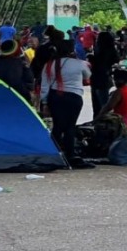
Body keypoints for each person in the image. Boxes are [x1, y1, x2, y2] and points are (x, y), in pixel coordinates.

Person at [40, 38, 93, 169]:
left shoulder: (49, 64)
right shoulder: (80, 64)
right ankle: (70, 155)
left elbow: (45, 86)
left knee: (57, 126)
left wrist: (45, 102)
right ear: (72, 49)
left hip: (55, 97)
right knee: (70, 126)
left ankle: (53, 153)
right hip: (74, 98)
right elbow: (88, 76)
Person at [87, 31, 119, 119]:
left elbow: (99, 64)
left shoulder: (100, 51)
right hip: (106, 79)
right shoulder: (112, 50)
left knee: (99, 105)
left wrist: (91, 58)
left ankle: (98, 122)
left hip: (98, 80)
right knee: (104, 104)